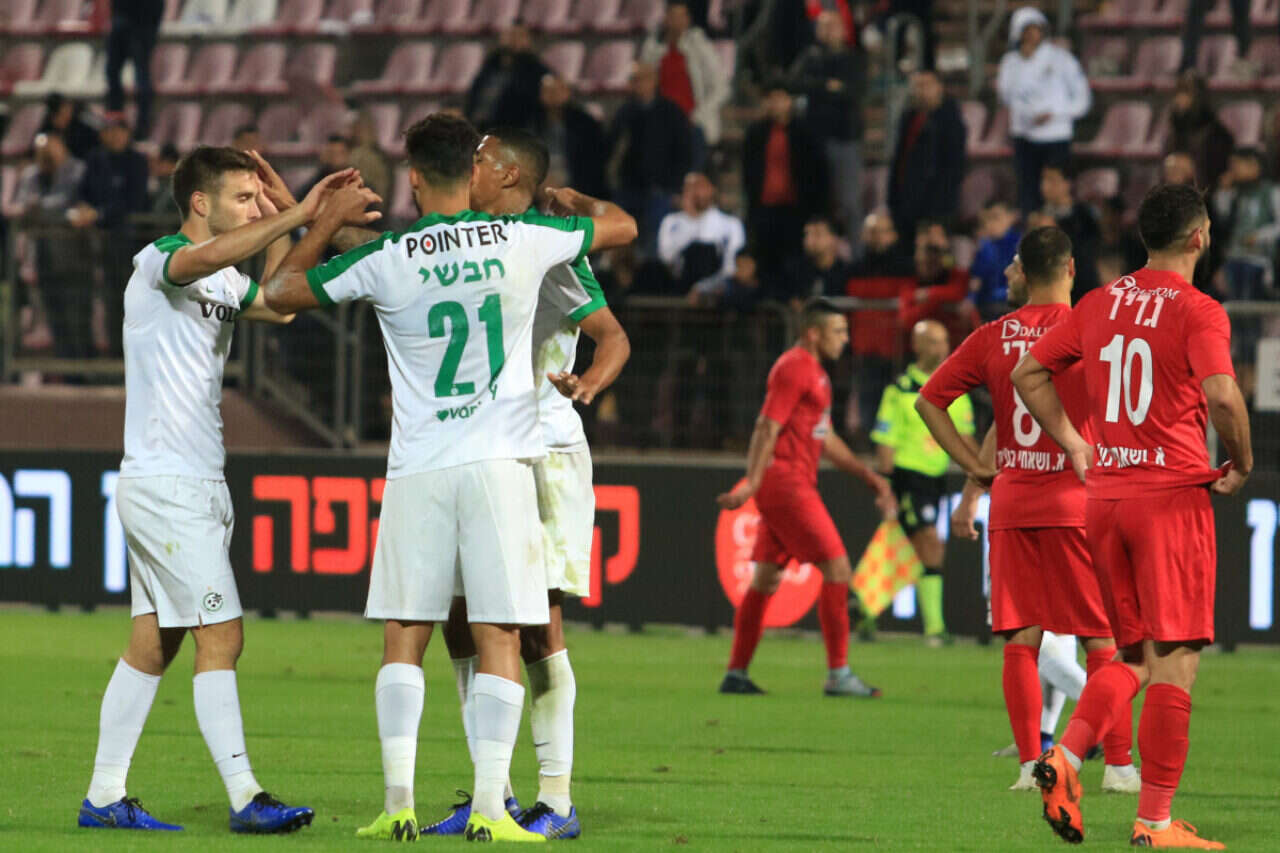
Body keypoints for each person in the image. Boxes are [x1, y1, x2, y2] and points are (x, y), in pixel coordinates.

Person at [261, 113, 638, 843]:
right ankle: (491, 800)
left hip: (477, 456)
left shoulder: (423, 249)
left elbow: (295, 285)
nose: (482, 161)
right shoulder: (529, 241)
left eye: (494, 155)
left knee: (464, 629)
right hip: (499, 458)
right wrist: (303, 214)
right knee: (487, 628)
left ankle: (525, 796)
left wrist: (313, 217)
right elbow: (620, 227)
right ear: (469, 174)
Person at [78, 145, 343, 835]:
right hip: (168, 484)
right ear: (201, 202)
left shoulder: (224, 279)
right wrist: (296, 213)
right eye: (241, 198)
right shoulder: (159, 260)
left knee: (153, 643)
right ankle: (246, 795)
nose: (253, 209)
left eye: (256, 199)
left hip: (193, 481)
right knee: (222, 633)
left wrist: (292, 217)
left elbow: (280, 302)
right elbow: (200, 259)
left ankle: (104, 796)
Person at [1011, 183, 1252, 848]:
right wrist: (1242, 461)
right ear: (1199, 237)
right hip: (1169, 500)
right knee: (1176, 662)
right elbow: (1222, 394)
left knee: (1135, 656)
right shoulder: (1199, 309)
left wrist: (1076, 444)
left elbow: (1028, 373)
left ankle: (1063, 757)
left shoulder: (1097, 302)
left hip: (1106, 500)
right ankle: (1155, 821)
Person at [419, 128, 632, 842]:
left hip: (543, 450)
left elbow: (613, 335)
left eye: (479, 161)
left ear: (509, 174)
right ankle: (493, 794)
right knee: (459, 619)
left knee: (536, 625)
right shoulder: (465, 241)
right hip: (476, 450)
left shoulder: (548, 246)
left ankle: (557, 797)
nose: (468, 169)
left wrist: (588, 383)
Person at [917, 227, 1137, 793]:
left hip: (1013, 501)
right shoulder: (1089, 328)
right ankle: (1117, 767)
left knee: (1021, 639)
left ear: (1025, 272)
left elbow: (930, 400)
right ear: (1070, 269)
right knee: (1101, 639)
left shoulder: (994, 336)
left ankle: (1027, 768)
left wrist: (975, 467)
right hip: (1075, 499)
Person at [716, 298, 897, 697]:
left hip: (789, 482)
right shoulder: (795, 367)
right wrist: (751, 482)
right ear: (813, 333)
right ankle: (838, 674)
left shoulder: (815, 374)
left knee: (765, 577)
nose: (845, 339)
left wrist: (868, 476)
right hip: (786, 483)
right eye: (838, 331)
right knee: (838, 569)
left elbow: (825, 437)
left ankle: (736, 673)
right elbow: (766, 426)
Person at [871, 319, 975, 643]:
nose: (941, 348)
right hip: (908, 477)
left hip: (936, 479)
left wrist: (987, 467)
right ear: (916, 346)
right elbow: (885, 441)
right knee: (929, 542)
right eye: (933, 341)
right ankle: (935, 629)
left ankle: (861, 607)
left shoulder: (955, 388)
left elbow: (966, 436)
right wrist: (886, 485)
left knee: (905, 548)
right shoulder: (900, 389)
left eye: (944, 341)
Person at [997, 8, 1091, 216]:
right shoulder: (1010, 63)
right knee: (1028, 193)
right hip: (1024, 137)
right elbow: (1006, 97)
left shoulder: (1062, 59)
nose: (1031, 35)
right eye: (1026, 30)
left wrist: (1054, 114)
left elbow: (1082, 99)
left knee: (1057, 192)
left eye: (1035, 29)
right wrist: (1029, 115)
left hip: (1056, 138)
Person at [72, 116, 152, 356]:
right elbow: (82, 192)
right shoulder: (96, 159)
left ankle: (135, 359)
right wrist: (83, 208)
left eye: (120, 130)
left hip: (131, 246)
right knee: (110, 302)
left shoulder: (137, 161)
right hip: (101, 243)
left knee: (133, 304)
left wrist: (99, 214)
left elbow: (134, 202)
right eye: (111, 130)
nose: (116, 135)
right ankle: (115, 358)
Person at [788, 10, 867, 243]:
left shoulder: (853, 58)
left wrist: (819, 88)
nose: (828, 31)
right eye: (823, 26)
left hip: (845, 138)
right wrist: (827, 86)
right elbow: (793, 83)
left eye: (833, 26)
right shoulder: (809, 57)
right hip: (812, 140)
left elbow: (854, 91)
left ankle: (857, 255)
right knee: (813, 201)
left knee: (849, 203)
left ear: (843, 30)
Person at [741, 82, 828, 281]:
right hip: (764, 210)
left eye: (780, 98)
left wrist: (817, 210)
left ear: (790, 101)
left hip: (796, 210)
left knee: (794, 264)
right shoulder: (756, 134)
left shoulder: (806, 133)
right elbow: (749, 174)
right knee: (765, 263)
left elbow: (819, 174)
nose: (776, 104)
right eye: (771, 99)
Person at [12, 131, 88, 360]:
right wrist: (38, 208)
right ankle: (67, 368)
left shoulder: (77, 170)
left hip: (73, 256)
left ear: (60, 147)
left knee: (78, 318)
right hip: (42, 255)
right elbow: (22, 204)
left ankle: (84, 368)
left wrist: (40, 208)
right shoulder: (31, 174)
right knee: (55, 317)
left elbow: (67, 203)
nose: (45, 155)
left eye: (50, 149)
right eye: (41, 150)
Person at [607, 62, 694, 253]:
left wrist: (675, 186)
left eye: (643, 79)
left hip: (661, 188)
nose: (639, 84)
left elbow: (684, 152)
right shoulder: (625, 113)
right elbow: (610, 148)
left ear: (654, 81)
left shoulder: (671, 112)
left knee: (655, 245)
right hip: (629, 186)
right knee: (619, 241)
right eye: (635, 80)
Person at [847, 210, 914, 435]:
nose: (877, 237)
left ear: (893, 235)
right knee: (868, 404)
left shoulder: (905, 267)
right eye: (872, 231)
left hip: (897, 347)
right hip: (866, 349)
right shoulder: (854, 268)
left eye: (882, 231)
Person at [639, 0, 729, 163]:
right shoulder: (652, 49)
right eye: (674, 16)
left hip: (692, 126)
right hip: (661, 127)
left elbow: (721, 88)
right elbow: (644, 85)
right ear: (665, 18)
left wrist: (699, 116)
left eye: (682, 16)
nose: (678, 21)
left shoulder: (700, 46)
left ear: (688, 19)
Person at [887, 70, 965, 242]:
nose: (921, 91)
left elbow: (953, 168)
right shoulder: (909, 117)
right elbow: (899, 160)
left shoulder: (950, 120)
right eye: (917, 86)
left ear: (939, 88)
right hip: (905, 203)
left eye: (926, 85)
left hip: (934, 208)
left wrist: (939, 211)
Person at [657, 172, 745, 296]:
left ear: (712, 189)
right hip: (679, 285)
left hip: (717, 289)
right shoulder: (670, 222)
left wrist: (705, 287)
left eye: (698, 186)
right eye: (689, 188)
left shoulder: (731, 224)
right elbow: (666, 259)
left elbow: (731, 267)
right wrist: (691, 218)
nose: (694, 193)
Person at [1213, 147, 1280, 301]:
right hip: (1234, 258)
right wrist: (1224, 191)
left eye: (1237, 165)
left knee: (1251, 304)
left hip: (1260, 260)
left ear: (1254, 165)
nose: (1233, 171)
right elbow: (1223, 219)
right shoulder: (1236, 194)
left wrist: (1259, 236)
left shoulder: (1272, 192)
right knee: (1232, 302)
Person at [534, 74, 607, 199]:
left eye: (557, 90)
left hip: (575, 185)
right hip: (542, 180)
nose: (552, 95)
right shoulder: (532, 122)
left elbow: (592, 165)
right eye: (547, 91)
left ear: (568, 92)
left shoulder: (586, 124)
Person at [465, 24, 550, 132]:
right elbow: (474, 95)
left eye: (520, 36)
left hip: (510, 131)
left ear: (528, 41)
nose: (514, 40)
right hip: (478, 127)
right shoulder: (490, 65)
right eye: (510, 35)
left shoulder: (536, 71)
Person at [1040, 162, 1102, 302]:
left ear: (1067, 183)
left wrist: (1055, 234)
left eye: (1052, 180)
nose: (1045, 186)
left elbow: (1087, 253)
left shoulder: (1084, 216)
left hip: (1081, 291)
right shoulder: (1038, 215)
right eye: (1043, 179)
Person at [105, 0, 163, 139]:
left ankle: (142, 126)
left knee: (141, 77)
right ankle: (116, 122)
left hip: (143, 23)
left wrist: (151, 27)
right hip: (122, 19)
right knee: (112, 72)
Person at [1169, 71, 1234, 193]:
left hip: (1208, 193)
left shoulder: (1216, 131)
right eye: (1178, 93)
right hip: (1180, 190)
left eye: (1186, 93)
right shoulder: (1175, 125)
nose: (1179, 99)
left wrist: (1191, 166)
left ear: (1199, 96)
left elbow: (1218, 170)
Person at [783, 215, 853, 308]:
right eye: (807, 234)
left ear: (833, 239)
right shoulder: (794, 271)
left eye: (817, 234)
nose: (809, 240)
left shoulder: (847, 274)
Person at [969, 200, 1021, 322]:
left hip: (1013, 306)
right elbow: (976, 280)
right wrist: (970, 298)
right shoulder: (984, 246)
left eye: (996, 217)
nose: (990, 223)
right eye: (987, 219)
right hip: (987, 306)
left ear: (1010, 217)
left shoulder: (1020, 244)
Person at [40, 92, 100, 160]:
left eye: (68, 110)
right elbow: (40, 142)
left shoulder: (80, 125)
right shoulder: (47, 128)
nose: (68, 114)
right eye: (63, 112)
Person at [297, 135, 352, 201]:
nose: (335, 158)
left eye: (339, 153)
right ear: (324, 155)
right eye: (331, 153)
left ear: (348, 155)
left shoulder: (356, 183)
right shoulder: (315, 185)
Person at [148, 143, 181, 216]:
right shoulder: (160, 185)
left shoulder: (175, 189)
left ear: (172, 164)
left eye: (159, 162)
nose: (154, 165)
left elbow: (158, 212)